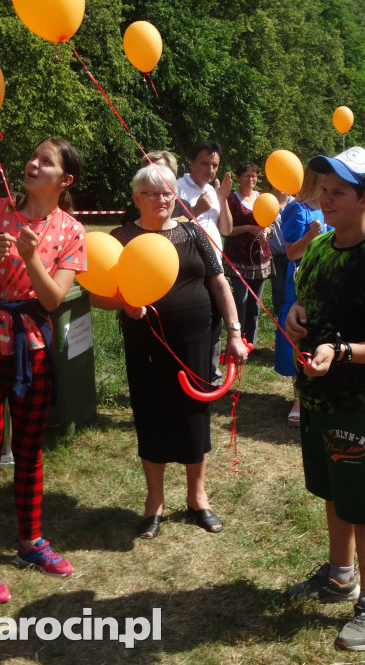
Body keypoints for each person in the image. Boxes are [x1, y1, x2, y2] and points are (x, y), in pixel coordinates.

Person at [284, 147, 365, 653]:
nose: (324, 199)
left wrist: (339, 351)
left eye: (337, 192)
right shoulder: (318, 249)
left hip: (363, 403)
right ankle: (340, 577)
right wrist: (296, 315)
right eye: (323, 190)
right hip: (318, 397)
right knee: (335, 491)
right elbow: (304, 303)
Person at [0, 137, 87, 605]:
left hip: (31, 349)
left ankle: (30, 544)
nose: (32, 163)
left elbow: (52, 301)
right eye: (33, 157)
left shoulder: (71, 229)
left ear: (64, 180)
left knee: (29, 452)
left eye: (45, 161)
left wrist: (31, 257)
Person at [91, 165, 248, 539]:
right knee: (151, 415)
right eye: (151, 193)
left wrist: (235, 331)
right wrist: (122, 302)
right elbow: (97, 293)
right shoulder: (122, 238)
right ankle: (154, 503)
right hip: (145, 344)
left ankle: (198, 498)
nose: (161, 200)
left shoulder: (193, 231)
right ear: (136, 199)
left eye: (166, 193)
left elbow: (219, 281)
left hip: (197, 340)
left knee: (195, 415)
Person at [274, 164, 327, 425]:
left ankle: (317, 390)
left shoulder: (327, 209)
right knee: (300, 335)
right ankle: (298, 399)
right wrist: (311, 235)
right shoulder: (298, 208)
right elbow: (292, 252)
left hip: (324, 282)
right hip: (300, 283)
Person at [177, 140, 233, 383]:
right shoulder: (177, 188)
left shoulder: (212, 189)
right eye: (205, 163)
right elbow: (170, 229)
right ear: (191, 163)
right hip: (189, 268)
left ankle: (211, 372)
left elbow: (227, 229)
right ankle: (191, 371)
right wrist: (196, 210)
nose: (210, 170)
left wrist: (223, 199)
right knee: (194, 323)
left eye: (215, 165)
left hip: (215, 266)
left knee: (215, 320)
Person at [222, 161, 273, 346]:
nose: (251, 179)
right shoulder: (232, 200)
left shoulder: (262, 198)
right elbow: (225, 230)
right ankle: (237, 342)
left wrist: (265, 232)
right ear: (238, 178)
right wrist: (248, 228)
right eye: (246, 176)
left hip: (260, 259)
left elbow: (271, 224)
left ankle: (251, 343)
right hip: (238, 259)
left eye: (254, 176)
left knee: (255, 304)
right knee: (240, 302)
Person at [120, 151, 192, 224]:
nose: (154, 174)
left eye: (161, 170)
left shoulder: (184, 206)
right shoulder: (135, 208)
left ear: (173, 173)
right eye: (149, 170)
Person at [267, 185, 295, 317]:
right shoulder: (267, 201)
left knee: (294, 287)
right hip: (276, 255)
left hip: (294, 254)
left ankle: (293, 316)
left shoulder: (295, 203)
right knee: (278, 289)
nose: (280, 186)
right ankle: (280, 319)